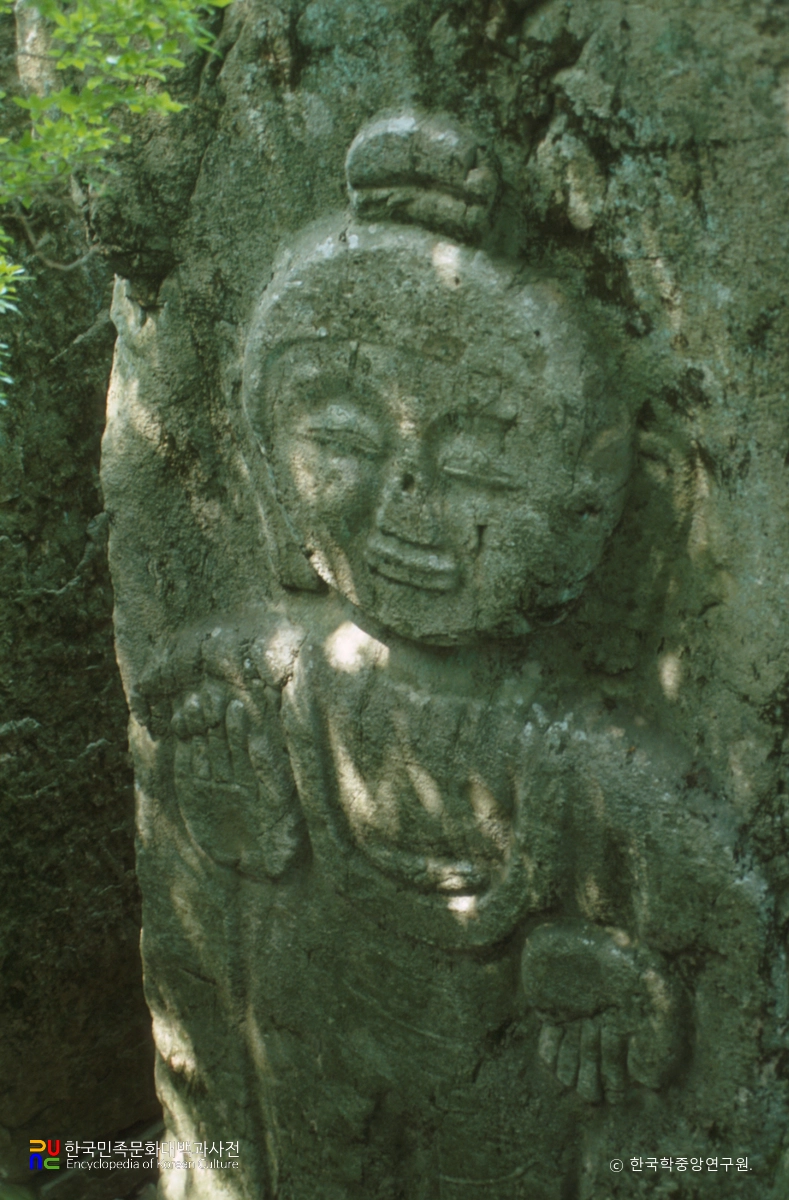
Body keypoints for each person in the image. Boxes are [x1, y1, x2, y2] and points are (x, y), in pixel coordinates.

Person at [145, 114, 765, 1199]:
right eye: (339, 442)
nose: (408, 505)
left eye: (477, 460)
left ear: (584, 502)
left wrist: (633, 997)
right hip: (307, 1097)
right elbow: (184, 817)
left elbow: (734, 938)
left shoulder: (579, 769)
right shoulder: (266, 689)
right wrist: (229, 809)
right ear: (269, 470)